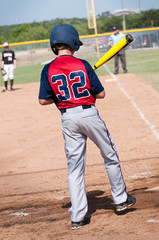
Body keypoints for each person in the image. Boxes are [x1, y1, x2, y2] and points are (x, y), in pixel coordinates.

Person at [38, 24, 136, 230]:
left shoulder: (47, 68)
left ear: (54, 45)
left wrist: (62, 96)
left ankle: (78, 217)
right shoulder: (83, 65)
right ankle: (120, 200)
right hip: (89, 114)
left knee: (74, 167)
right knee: (110, 156)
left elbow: (43, 101)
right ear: (73, 42)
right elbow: (101, 94)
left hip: (68, 119)